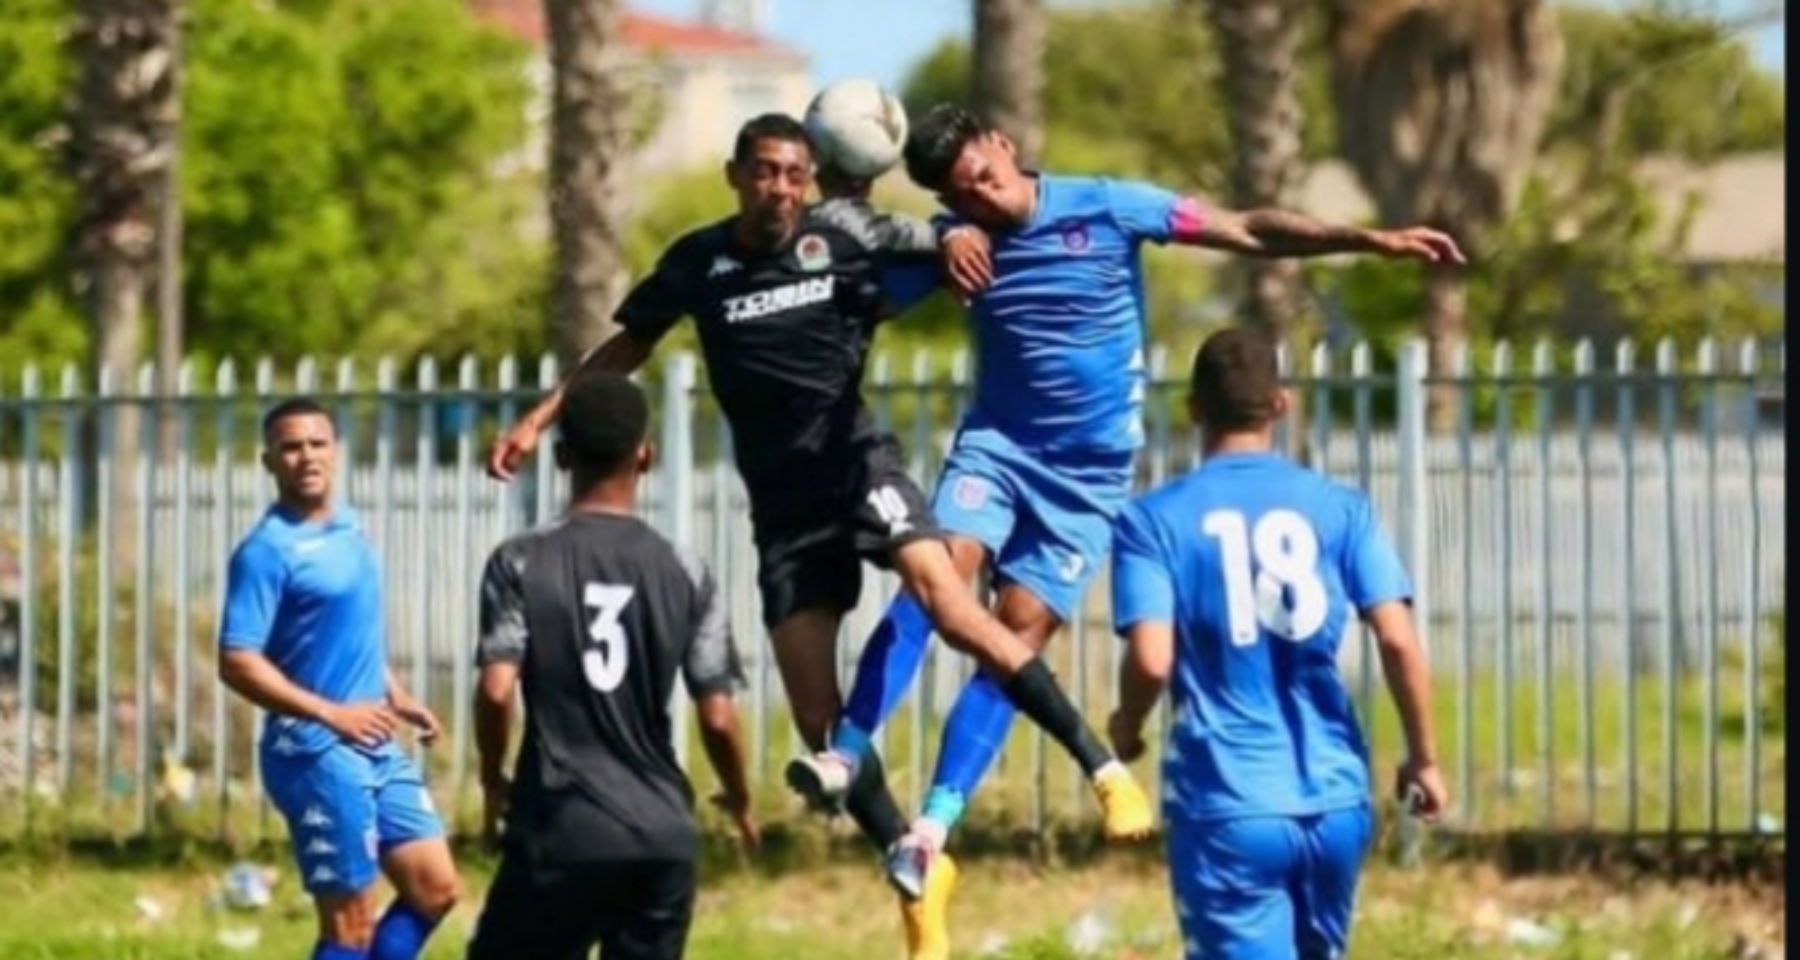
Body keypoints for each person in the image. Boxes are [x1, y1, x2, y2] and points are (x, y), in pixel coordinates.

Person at [784, 102, 1463, 959]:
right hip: (997, 451)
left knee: (1015, 635)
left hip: (1087, 481)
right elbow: (848, 295)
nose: (984, 200)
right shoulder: (957, 244)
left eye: (986, 178)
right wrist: (825, 234)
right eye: (964, 197)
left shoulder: (1109, 205)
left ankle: (931, 829)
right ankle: (849, 749)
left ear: (1004, 143)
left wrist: (1372, 240)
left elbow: (1248, 229)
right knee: (939, 578)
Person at [483, 110, 1153, 916]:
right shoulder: (700, 261)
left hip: (860, 466)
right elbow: (626, 346)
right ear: (736, 174)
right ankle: (915, 862)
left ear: (812, 180)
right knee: (814, 722)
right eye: (765, 171)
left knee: (945, 599)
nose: (780, 188)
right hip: (783, 507)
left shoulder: (847, 239)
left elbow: (951, 239)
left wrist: (948, 243)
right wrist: (538, 418)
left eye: (796, 174)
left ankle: (1103, 769)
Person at [1108, 327, 1447, 960]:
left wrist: (1126, 727)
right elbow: (1398, 641)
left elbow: (1153, 659)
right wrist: (1423, 757)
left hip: (1230, 799)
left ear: (1193, 408)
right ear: (1281, 405)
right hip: (1336, 799)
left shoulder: (1152, 520)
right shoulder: (1341, 508)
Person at [466, 370, 756, 960]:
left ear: (563, 454)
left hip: (560, 825)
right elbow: (720, 717)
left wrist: (494, 782)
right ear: (645, 456)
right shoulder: (685, 568)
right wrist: (738, 797)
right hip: (660, 832)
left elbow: (497, 692)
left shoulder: (521, 561)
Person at [217, 398, 460, 960]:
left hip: (373, 739)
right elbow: (237, 660)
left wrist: (395, 696)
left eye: (316, 443)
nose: (306, 456)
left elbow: (342, 632)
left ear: (337, 451)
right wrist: (332, 713)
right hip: (315, 752)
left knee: (435, 889)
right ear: (268, 461)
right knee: (351, 924)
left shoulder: (348, 527)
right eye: (290, 447)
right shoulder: (266, 552)